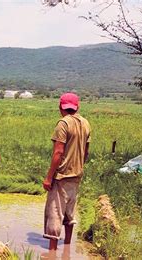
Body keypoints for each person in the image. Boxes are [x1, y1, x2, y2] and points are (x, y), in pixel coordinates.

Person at [42, 92, 91, 251]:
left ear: (60, 107)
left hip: (62, 175)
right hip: (76, 176)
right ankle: (67, 248)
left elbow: (58, 153)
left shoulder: (63, 124)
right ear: (77, 107)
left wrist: (49, 177)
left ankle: (52, 252)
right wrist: (78, 167)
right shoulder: (85, 123)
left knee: (55, 214)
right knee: (69, 213)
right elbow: (86, 152)